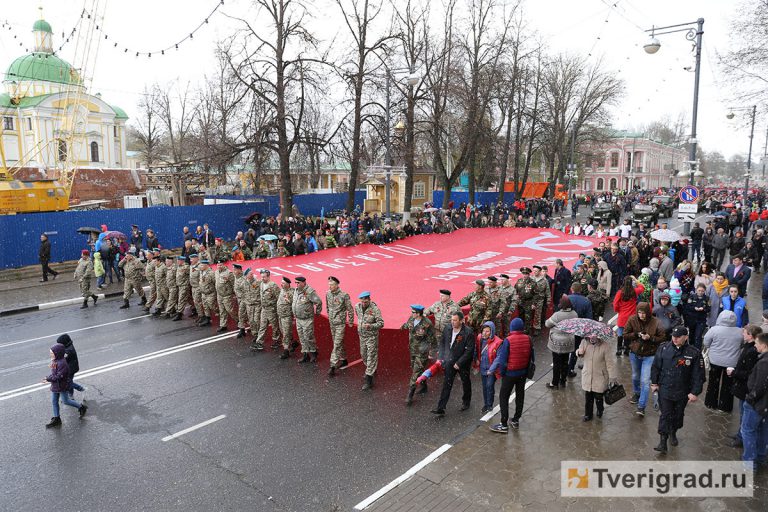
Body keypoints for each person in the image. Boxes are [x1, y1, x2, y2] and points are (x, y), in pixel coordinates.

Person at [650, 325, 706, 454]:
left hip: (682, 390)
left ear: (685, 337)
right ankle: (662, 441)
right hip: (665, 388)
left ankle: (673, 432)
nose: (674, 339)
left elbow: (699, 374)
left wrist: (694, 392)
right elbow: (656, 367)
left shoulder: (694, 353)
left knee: (678, 415)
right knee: (665, 414)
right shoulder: (664, 348)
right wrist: (654, 383)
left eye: (678, 337)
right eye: (673, 336)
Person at [489, 318, 531, 432]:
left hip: (509, 374)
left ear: (512, 327)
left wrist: (502, 373)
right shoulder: (528, 339)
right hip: (522, 373)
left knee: (504, 397)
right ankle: (516, 419)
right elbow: (532, 357)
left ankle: (503, 424)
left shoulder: (508, 340)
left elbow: (502, 361)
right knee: (520, 395)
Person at [623, 302, 665, 416]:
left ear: (648, 312)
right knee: (635, 376)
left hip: (650, 355)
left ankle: (641, 406)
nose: (641, 315)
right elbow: (625, 334)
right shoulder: (632, 319)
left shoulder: (656, 322)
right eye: (639, 313)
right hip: (635, 353)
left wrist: (650, 338)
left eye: (643, 313)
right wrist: (636, 335)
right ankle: (637, 392)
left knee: (645, 381)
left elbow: (662, 337)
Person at [431, 311, 474, 415]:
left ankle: (466, 401)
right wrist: (440, 357)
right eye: (451, 320)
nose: (452, 322)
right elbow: (442, 343)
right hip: (449, 361)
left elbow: (469, 351)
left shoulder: (468, 332)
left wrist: (459, 363)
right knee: (447, 384)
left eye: (455, 320)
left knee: (465, 382)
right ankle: (441, 408)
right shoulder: (447, 328)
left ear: (461, 321)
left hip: (462, 363)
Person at [703, 310, 743, 413]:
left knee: (713, 382)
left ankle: (710, 402)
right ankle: (725, 406)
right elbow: (741, 345)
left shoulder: (714, 330)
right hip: (731, 363)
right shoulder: (740, 331)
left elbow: (706, 342)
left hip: (715, 360)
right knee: (728, 385)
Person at [730, 325, 761, 448]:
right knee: (743, 413)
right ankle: (739, 434)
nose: (742, 334)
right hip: (743, 387)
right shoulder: (748, 347)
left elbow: (750, 373)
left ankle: (741, 438)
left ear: (750, 336)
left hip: (745, 388)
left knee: (744, 414)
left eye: (744, 333)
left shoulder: (752, 351)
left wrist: (734, 372)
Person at [741, 332, 768, 472]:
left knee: (748, 431)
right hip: (764, 406)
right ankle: (761, 457)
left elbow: (760, 386)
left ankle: (749, 463)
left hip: (757, 405)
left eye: (757, 343)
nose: (755, 346)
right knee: (763, 430)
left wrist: (750, 399)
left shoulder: (764, 362)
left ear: (764, 345)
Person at [43, 343, 87, 428]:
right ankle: (57, 419)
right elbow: (53, 372)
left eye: (52, 353)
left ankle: (81, 407)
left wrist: (48, 378)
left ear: (57, 353)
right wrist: (49, 377)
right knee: (54, 401)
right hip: (55, 385)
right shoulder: (54, 360)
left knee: (66, 401)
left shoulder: (62, 364)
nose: (50, 355)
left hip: (62, 386)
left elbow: (58, 376)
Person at [576, 334, 618, 422]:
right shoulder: (584, 342)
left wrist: (612, 377)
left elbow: (610, 363)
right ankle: (588, 414)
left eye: (594, 336)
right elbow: (579, 354)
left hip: (600, 376)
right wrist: (579, 352)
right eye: (590, 336)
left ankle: (600, 409)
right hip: (587, 375)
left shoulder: (605, 346)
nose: (592, 338)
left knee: (598, 396)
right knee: (588, 397)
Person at [403, 305, 437, 405]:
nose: (411, 313)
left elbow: (433, 339)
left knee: (415, 372)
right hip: (413, 349)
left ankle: (410, 394)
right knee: (415, 368)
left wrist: (432, 352)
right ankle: (424, 385)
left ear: (418, 313)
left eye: (413, 312)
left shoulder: (427, 323)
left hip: (422, 351)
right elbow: (407, 325)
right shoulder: (411, 318)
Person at [545, 296, 578, 389]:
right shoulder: (574, 314)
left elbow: (547, 324)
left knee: (556, 363)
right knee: (565, 362)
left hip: (557, 343)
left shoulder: (557, 315)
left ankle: (554, 383)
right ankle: (563, 381)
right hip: (569, 341)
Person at [355, 291, 384, 390]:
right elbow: (359, 317)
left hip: (371, 337)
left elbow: (381, 323)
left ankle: (369, 379)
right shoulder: (357, 307)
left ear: (369, 299)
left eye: (365, 301)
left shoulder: (375, 309)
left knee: (371, 356)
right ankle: (371, 369)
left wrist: (370, 326)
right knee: (363, 355)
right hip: (362, 336)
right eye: (362, 301)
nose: (363, 302)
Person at [326, 276, 354, 375]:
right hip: (332, 323)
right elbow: (328, 307)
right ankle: (344, 358)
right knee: (338, 342)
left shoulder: (344, 295)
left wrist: (350, 321)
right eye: (329, 285)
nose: (330, 286)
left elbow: (350, 309)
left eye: (332, 285)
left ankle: (332, 365)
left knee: (336, 344)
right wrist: (329, 317)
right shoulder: (328, 294)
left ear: (337, 285)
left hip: (340, 324)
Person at [292, 276, 323, 363]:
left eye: (298, 283)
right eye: (296, 283)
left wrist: (317, 313)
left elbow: (318, 302)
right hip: (298, 318)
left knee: (308, 337)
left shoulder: (309, 291)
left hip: (307, 319)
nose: (297, 284)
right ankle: (305, 354)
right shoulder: (296, 291)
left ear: (303, 282)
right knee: (301, 337)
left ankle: (313, 353)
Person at [612, 275, 645, 356]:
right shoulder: (634, 291)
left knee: (620, 332)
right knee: (629, 332)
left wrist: (617, 310)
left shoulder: (620, 292)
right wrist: (635, 280)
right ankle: (627, 349)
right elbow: (642, 287)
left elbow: (615, 304)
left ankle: (619, 349)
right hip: (631, 316)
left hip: (622, 315)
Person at [255, 269, 281, 350]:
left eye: (264, 277)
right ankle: (259, 342)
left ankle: (277, 341)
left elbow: (279, 298)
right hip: (264, 309)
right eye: (261, 277)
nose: (262, 278)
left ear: (268, 276)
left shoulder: (273, 286)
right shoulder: (261, 284)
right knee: (262, 326)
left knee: (275, 326)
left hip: (271, 310)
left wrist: (277, 309)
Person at [682, 284, 710, 349]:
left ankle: (697, 351)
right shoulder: (691, 297)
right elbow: (688, 307)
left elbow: (709, 308)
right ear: (696, 290)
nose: (700, 292)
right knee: (691, 335)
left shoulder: (707, 298)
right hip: (692, 319)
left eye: (702, 291)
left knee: (698, 336)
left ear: (704, 291)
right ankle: (691, 348)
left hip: (701, 320)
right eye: (699, 290)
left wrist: (703, 309)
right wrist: (694, 308)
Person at [58, 334, 85, 398]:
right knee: (69, 381)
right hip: (71, 367)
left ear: (64, 342)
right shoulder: (68, 346)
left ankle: (80, 388)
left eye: (60, 343)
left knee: (68, 382)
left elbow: (62, 359)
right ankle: (71, 395)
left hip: (70, 369)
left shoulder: (69, 350)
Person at [196, 260, 215, 326]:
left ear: (206, 266)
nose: (200, 267)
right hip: (203, 292)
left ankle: (220, 314)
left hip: (210, 292)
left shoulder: (211, 273)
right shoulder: (201, 272)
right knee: (205, 306)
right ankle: (208, 319)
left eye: (201, 265)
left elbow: (215, 282)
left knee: (212, 306)